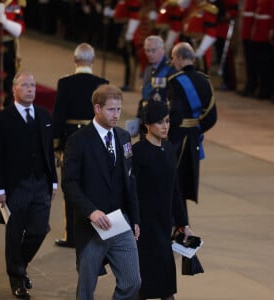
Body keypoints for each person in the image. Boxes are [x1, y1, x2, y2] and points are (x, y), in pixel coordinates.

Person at [61, 84, 141, 300]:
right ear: (97, 108)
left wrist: (134, 219)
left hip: (120, 222)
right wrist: (91, 212)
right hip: (92, 228)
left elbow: (130, 179)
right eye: (111, 110)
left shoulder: (124, 137)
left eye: (119, 109)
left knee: (133, 282)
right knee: (86, 289)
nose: (117, 115)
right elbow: (69, 183)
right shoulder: (78, 141)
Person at [0, 70, 58, 299]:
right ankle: (17, 279)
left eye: (33, 85)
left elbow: (49, 151)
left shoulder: (43, 115)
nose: (30, 89)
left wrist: (54, 181)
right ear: (14, 89)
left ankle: (19, 266)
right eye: (25, 85)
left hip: (41, 184)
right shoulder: (2, 118)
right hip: (15, 186)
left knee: (39, 230)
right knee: (14, 233)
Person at [132, 100, 193, 300]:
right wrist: (133, 221)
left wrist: (183, 223)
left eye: (167, 121)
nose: (165, 126)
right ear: (147, 125)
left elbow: (175, 190)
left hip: (164, 225)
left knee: (167, 284)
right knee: (145, 283)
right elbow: (131, 190)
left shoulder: (168, 150)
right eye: (159, 122)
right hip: (143, 227)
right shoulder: (138, 152)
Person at [52, 42, 109, 248]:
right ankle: (97, 228)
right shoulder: (103, 82)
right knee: (95, 183)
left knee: (72, 185)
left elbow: (58, 116)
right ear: (92, 60)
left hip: (71, 138)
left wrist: (56, 144)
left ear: (75, 60)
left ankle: (72, 236)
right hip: (96, 137)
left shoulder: (65, 83)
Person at [167, 42, 217, 213]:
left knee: (174, 184)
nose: (173, 62)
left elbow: (174, 114)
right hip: (194, 140)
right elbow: (212, 116)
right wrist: (195, 129)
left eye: (173, 58)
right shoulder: (205, 81)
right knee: (186, 182)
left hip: (177, 140)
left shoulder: (175, 82)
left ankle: (179, 226)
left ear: (180, 58)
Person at [126, 35, 175, 138]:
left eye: (153, 50)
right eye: (147, 50)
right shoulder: (149, 69)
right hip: (147, 120)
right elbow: (145, 98)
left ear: (162, 49)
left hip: (160, 124)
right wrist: (137, 118)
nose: (149, 54)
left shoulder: (171, 70)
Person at [0, 0, 25, 122]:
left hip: (9, 50)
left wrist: (4, 21)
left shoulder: (13, 4)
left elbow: (19, 29)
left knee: (10, 86)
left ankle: (8, 122)